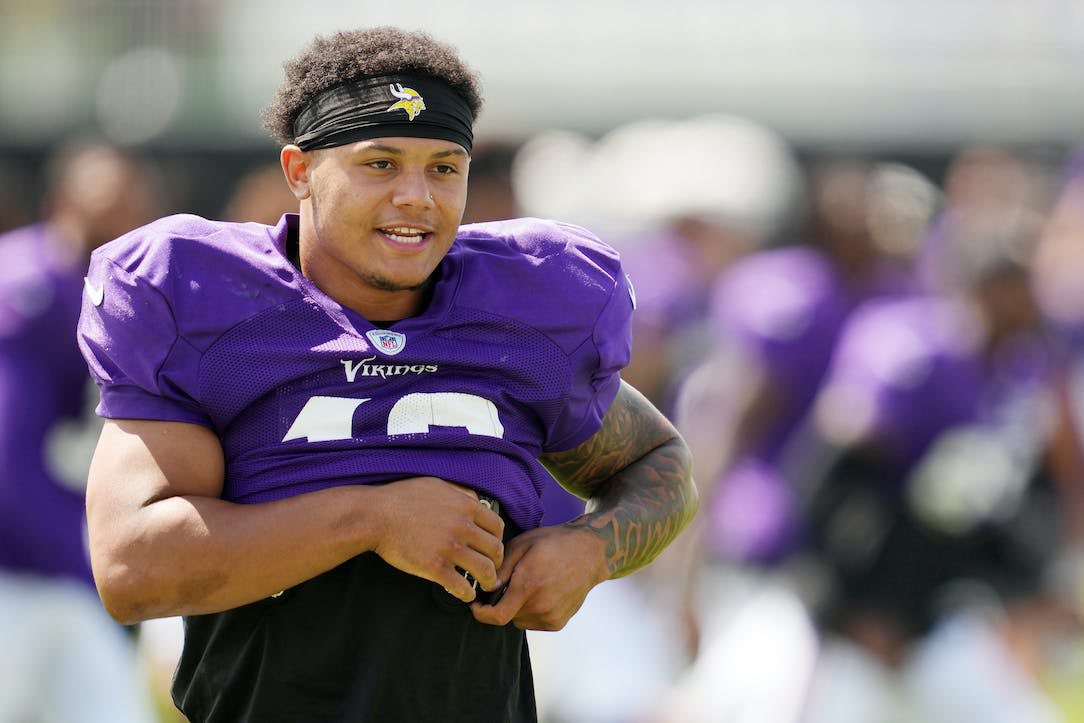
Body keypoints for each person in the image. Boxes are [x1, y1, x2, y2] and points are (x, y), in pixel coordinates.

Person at [77, 26, 698, 723]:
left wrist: (590, 550)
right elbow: (132, 568)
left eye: (443, 166)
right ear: (300, 171)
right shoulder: (209, 307)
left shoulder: (519, 317)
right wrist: (372, 516)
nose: (417, 197)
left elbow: (660, 464)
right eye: (380, 163)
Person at [0, 139, 159, 722]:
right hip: (15, 574)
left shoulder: (114, 292)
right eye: (108, 202)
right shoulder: (26, 285)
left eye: (132, 202)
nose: (123, 217)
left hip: (61, 571)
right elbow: (7, 463)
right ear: (65, 201)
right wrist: (92, 561)